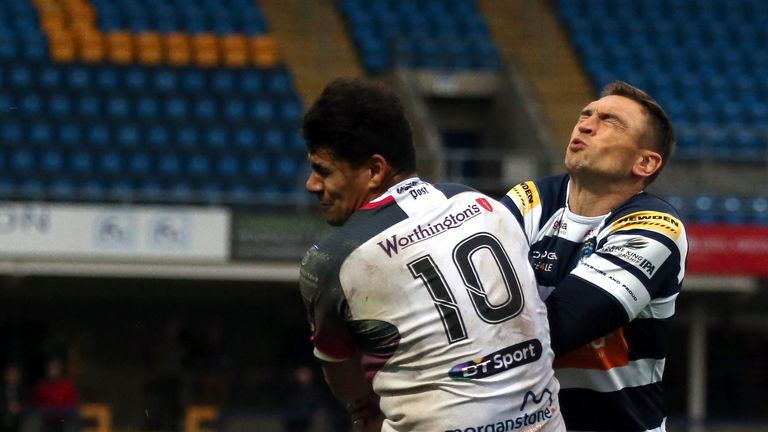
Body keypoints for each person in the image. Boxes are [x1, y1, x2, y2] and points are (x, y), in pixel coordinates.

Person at [299, 77, 565, 432]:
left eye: (322, 171)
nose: (312, 185)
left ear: (375, 170)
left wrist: (365, 407)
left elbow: (347, 382)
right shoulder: (482, 203)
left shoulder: (334, 259)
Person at [500, 80, 687, 432]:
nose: (585, 124)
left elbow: (563, 324)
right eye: (585, 115)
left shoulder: (657, 226)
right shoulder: (529, 199)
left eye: (610, 121)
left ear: (645, 162)